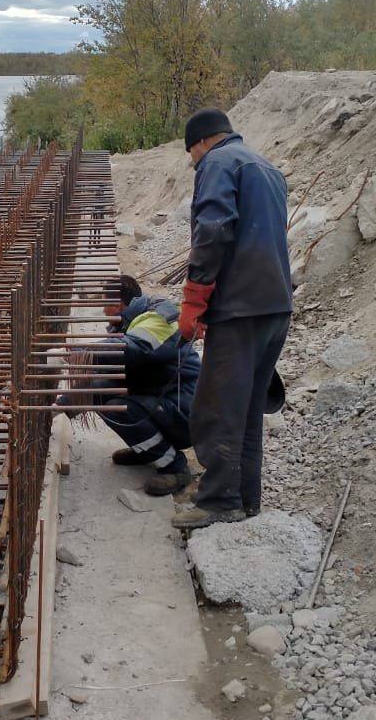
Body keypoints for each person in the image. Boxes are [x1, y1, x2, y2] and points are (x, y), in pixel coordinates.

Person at [171, 107, 292, 532]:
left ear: (201, 142)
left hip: (241, 308)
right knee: (247, 407)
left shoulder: (217, 163)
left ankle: (220, 500)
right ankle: (245, 497)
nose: (194, 163)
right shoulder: (266, 166)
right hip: (275, 305)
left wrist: (194, 301)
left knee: (218, 406)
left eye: (192, 155)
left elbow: (214, 231)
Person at [58, 275, 201, 496]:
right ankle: (147, 449)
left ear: (117, 304)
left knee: (118, 408)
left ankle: (175, 466)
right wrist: (61, 407)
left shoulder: (159, 319)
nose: (104, 313)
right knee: (104, 391)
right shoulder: (132, 319)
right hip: (163, 394)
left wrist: (79, 354)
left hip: (186, 410)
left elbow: (129, 349)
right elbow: (106, 376)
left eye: (104, 304)